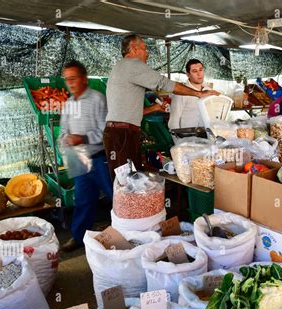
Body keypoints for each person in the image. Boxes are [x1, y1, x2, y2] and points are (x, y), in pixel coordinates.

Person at [104, 34, 219, 180]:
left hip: (118, 133)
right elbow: (163, 83)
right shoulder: (132, 64)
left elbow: (128, 112)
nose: (147, 53)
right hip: (122, 134)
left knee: (128, 181)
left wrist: (154, 108)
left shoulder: (120, 68)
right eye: (145, 49)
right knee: (127, 183)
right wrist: (198, 93)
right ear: (133, 48)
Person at [59, 60, 113, 252]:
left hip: (99, 158)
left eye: (73, 78)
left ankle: (128, 233)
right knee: (83, 200)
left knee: (116, 197)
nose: (70, 83)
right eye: (67, 79)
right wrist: (64, 142)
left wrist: (80, 138)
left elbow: (104, 132)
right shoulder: (69, 104)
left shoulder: (97, 99)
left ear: (84, 79)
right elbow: (63, 131)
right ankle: (79, 237)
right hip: (79, 160)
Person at [168, 59, 212, 129]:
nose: (199, 74)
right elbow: (173, 122)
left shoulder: (208, 91)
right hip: (187, 137)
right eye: (195, 71)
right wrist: (179, 139)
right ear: (188, 74)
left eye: (201, 70)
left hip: (206, 136)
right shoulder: (181, 93)